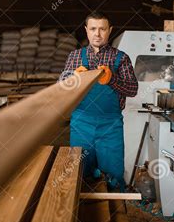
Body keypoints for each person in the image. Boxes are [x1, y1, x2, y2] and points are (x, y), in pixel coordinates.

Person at [59, 11, 138, 190]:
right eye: (93, 28)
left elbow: (133, 89)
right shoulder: (75, 57)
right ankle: (83, 212)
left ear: (110, 30)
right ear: (86, 30)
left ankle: (116, 212)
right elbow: (61, 87)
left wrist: (112, 79)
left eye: (102, 29)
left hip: (110, 126)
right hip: (81, 124)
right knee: (79, 173)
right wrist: (72, 78)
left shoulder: (121, 58)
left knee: (114, 176)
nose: (97, 33)